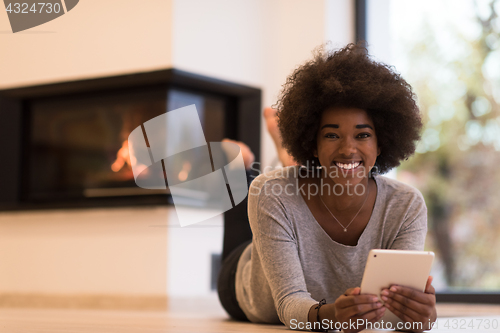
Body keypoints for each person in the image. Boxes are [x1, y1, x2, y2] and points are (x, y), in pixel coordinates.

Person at [218, 43, 437, 333]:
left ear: (381, 142)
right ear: (312, 141)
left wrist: (415, 315)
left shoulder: (406, 204)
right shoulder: (271, 192)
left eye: (363, 135)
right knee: (256, 190)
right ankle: (243, 166)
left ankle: (287, 162)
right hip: (244, 284)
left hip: (290, 206)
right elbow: (288, 307)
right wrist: (331, 315)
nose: (348, 149)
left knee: (273, 188)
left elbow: (393, 314)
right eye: (331, 134)